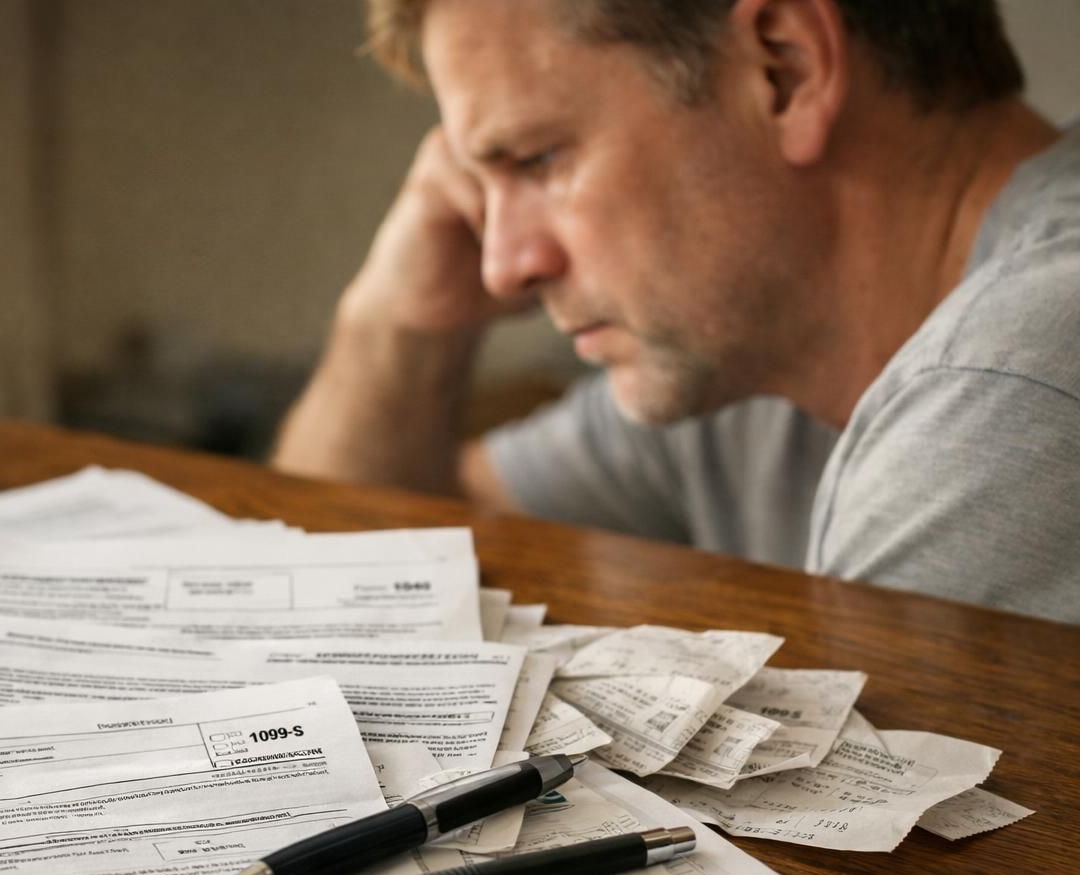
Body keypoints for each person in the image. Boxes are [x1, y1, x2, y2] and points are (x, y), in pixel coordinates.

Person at [272, 0, 1079, 623]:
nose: (504, 266)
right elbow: (341, 566)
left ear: (784, 69)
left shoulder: (1017, 379)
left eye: (537, 158)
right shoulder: (743, 357)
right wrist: (401, 323)